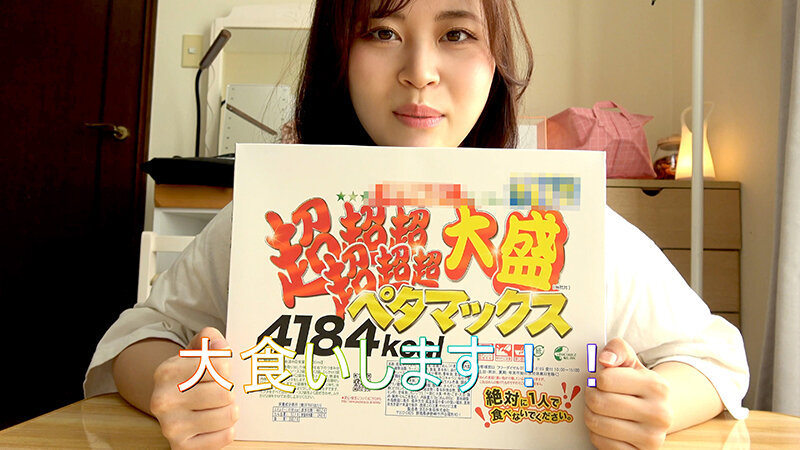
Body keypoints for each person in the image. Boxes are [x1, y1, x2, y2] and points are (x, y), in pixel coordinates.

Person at [84, 0, 749, 449]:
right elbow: (131, 342)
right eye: (382, 31)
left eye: (457, 34)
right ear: (339, 52)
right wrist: (176, 383)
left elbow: (716, 360)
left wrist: (654, 402)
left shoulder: (558, 218)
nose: (419, 73)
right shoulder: (277, 214)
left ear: (496, 59)